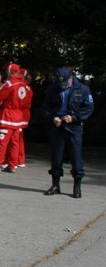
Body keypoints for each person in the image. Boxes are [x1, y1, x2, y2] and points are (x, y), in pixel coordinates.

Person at [42, 67, 94, 199]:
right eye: (61, 84)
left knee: (76, 157)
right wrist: (53, 117)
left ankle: (77, 187)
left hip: (74, 127)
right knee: (56, 156)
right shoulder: (53, 89)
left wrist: (75, 118)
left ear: (71, 78)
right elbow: (46, 107)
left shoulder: (82, 89)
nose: (63, 87)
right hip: (58, 125)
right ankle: (55, 185)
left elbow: (88, 108)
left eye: (65, 84)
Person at [0, 64, 31, 173]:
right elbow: (27, 102)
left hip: (8, 115)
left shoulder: (10, 84)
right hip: (19, 115)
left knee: (2, 142)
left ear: (10, 72)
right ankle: (12, 165)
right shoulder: (25, 86)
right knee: (15, 142)